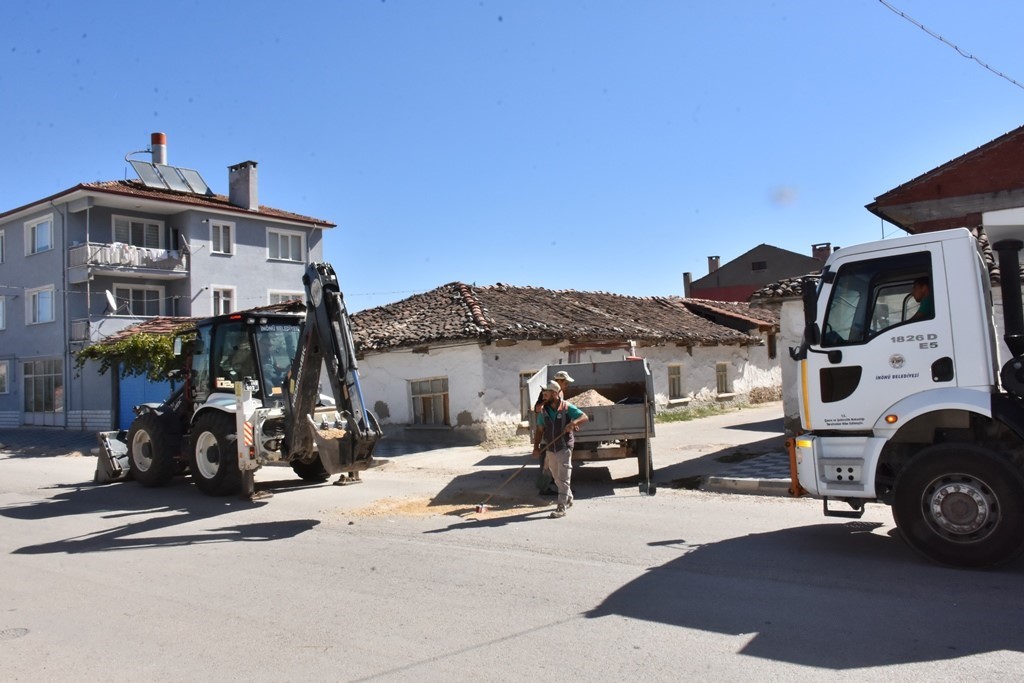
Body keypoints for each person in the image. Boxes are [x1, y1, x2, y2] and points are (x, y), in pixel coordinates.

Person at [532, 380, 589, 519]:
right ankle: (568, 497)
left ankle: (561, 507)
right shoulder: (544, 410)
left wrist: (573, 423)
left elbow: (584, 417)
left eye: (546, 394)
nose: (543, 397)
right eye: (543, 394)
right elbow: (539, 430)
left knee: (563, 478)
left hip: (564, 447)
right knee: (556, 477)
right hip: (550, 448)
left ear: (554, 393)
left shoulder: (566, 407)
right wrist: (536, 447)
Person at [533, 371, 575, 494]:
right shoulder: (548, 393)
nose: (567, 385)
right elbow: (537, 408)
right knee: (547, 464)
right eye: (565, 383)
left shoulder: (560, 394)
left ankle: (563, 490)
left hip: (557, 435)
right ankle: (545, 488)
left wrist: (572, 422)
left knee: (554, 466)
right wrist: (546, 405)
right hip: (548, 433)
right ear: (559, 381)